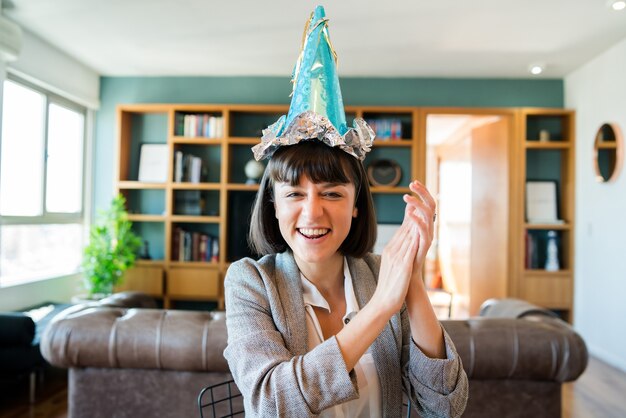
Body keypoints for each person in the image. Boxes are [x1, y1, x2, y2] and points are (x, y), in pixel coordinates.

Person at [223, 6, 468, 417]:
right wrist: (380, 308)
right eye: (295, 194)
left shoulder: (379, 276)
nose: (312, 212)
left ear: (356, 206)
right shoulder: (251, 282)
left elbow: (444, 407)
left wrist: (412, 282)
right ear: (273, 203)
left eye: (332, 194)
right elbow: (271, 403)